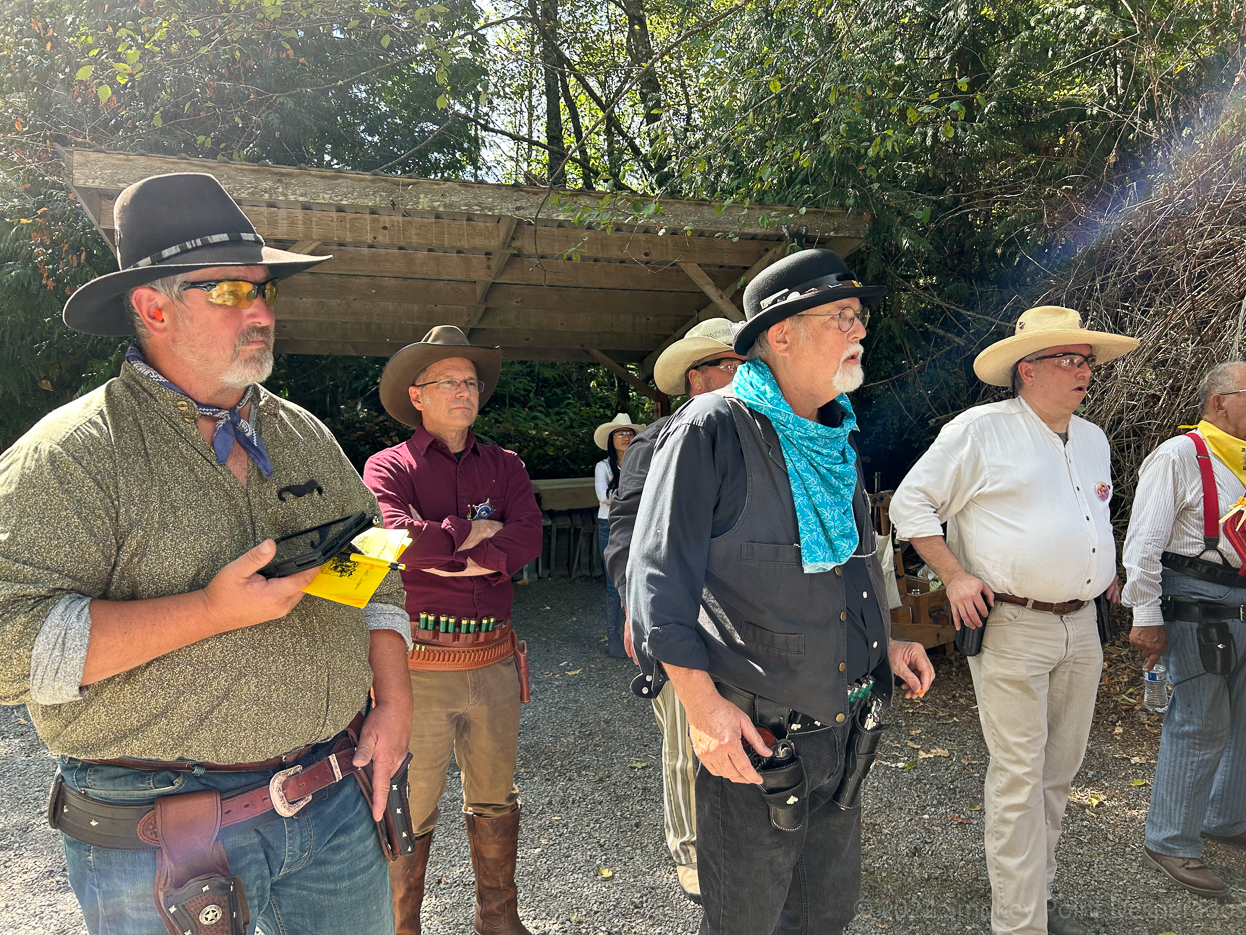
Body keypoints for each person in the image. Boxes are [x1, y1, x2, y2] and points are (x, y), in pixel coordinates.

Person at [0, 173, 414, 935]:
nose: (261, 312)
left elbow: (372, 566)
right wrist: (209, 611)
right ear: (154, 308)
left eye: (264, 290)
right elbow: (6, 647)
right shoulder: (71, 455)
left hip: (333, 800)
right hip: (159, 835)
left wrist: (392, 702)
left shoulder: (303, 432)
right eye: (229, 291)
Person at [627, 248, 935, 935]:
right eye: (842, 316)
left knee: (825, 916)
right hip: (756, 742)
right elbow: (656, 585)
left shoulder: (834, 432)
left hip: (846, 730)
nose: (861, 330)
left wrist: (887, 644)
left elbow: (849, 568)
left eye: (858, 316)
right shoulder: (711, 428)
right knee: (745, 923)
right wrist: (703, 711)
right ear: (782, 334)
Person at [890, 305, 1139, 935]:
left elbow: (1087, 514)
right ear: (1027, 369)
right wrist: (955, 575)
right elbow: (912, 504)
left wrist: (1101, 567)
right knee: (1021, 776)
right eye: (1070, 359)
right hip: (1012, 623)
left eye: (1087, 361)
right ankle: (1019, 924)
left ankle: (1035, 899)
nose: (1085, 371)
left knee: (1059, 772)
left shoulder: (1092, 438)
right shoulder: (980, 430)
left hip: (1083, 625)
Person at [363, 325, 543, 935]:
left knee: (496, 798)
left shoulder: (506, 465)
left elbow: (529, 538)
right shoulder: (389, 465)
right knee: (408, 806)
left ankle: (499, 920)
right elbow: (395, 541)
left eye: (471, 382)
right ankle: (400, 927)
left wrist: (447, 548)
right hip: (419, 667)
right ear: (417, 395)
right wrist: (476, 534)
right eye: (450, 382)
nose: (465, 391)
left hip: (495, 658)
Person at [602, 317, 744, 904]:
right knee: (689, 738)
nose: (742, 375)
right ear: (696, 377)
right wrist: (634, 605)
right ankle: (690, 852)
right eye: (730, 365)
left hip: (750, 620)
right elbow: (627, 530)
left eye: (747, 365)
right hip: (679, 613)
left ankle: (748, 847)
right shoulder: (655, 440)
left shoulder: (770, 433)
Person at [1121, 361, 1246, 897]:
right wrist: (1146, 616)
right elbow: (1143, 544)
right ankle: (1169, 840)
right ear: (1219, 401)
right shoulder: (1178, 455)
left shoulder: (1242, 462)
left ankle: (1226, 818)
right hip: (1195, 605)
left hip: (1241, 604)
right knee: (1201, 722)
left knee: (1242, 720)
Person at [593, 412, 645, 657]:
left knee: (640, 581)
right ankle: (615, 639)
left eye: (629, 432)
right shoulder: (603, 467)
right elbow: (602, 496)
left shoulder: (642, 463)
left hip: (638, 525)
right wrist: (635, 495)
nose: (625, 437)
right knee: (615, 584)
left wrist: (623, 496)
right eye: (619, 433)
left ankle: (639, 638)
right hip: (610, 525)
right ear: (610, 440)